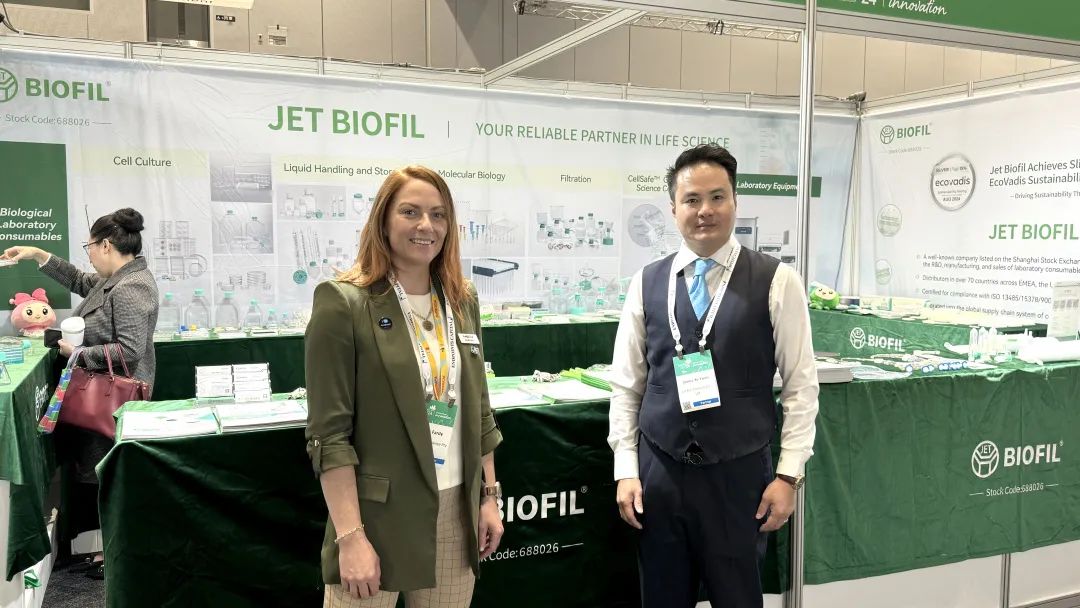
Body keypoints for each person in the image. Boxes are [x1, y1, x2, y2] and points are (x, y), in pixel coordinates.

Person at [607, 145, 819, 608]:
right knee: (661, 597)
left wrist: (789, 476)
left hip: (739, 477)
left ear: (735, 202)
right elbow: (626, 385)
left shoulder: (777, 280)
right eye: (692, 199)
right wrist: (626, 469)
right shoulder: (646, 281)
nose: (705, 210)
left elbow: (801, 386)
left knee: (737, 597)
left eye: (717, 197)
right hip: (660, 472)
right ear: (673, 209)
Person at [305, 165, 504, 607]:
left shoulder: (462, 299)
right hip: (376, 519)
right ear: (383, 220)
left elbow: (479, 410)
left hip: (455, 515)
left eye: (438, 214)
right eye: (410, 212)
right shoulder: (343, 302)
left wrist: (489, 496)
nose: (425, 225)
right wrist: (350, 537)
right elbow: (329, 437)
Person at [2, 207, 159, 580]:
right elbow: (77, 278)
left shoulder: (132, 287)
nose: (88, 255)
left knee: (111, 477)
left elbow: (129, 351)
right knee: (99, 474)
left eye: (89, 246)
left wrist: (77, 353)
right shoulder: (115, 279)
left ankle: (118, 555)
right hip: (102, 392)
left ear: (106, 245)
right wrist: (37, 254)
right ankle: (109, 550)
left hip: (115, 398)